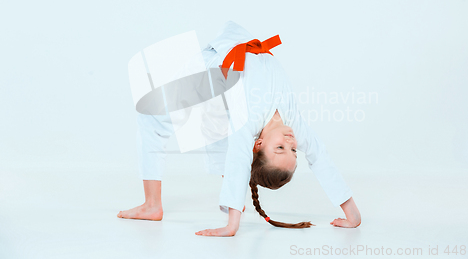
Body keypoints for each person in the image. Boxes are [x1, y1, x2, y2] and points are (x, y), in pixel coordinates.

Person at [118, 21, 361, 236]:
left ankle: (152, 205)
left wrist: (231, 225)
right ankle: (222, 197)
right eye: (293, 150)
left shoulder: (248, 124)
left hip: (212, 75)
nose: (290, 141)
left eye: (280, 148)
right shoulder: (294, 124)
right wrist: (352, 214)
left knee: (151, 117)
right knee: (222, 125)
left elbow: (239, 161)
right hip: (232, 61)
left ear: (259, 145)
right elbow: (321, 158)